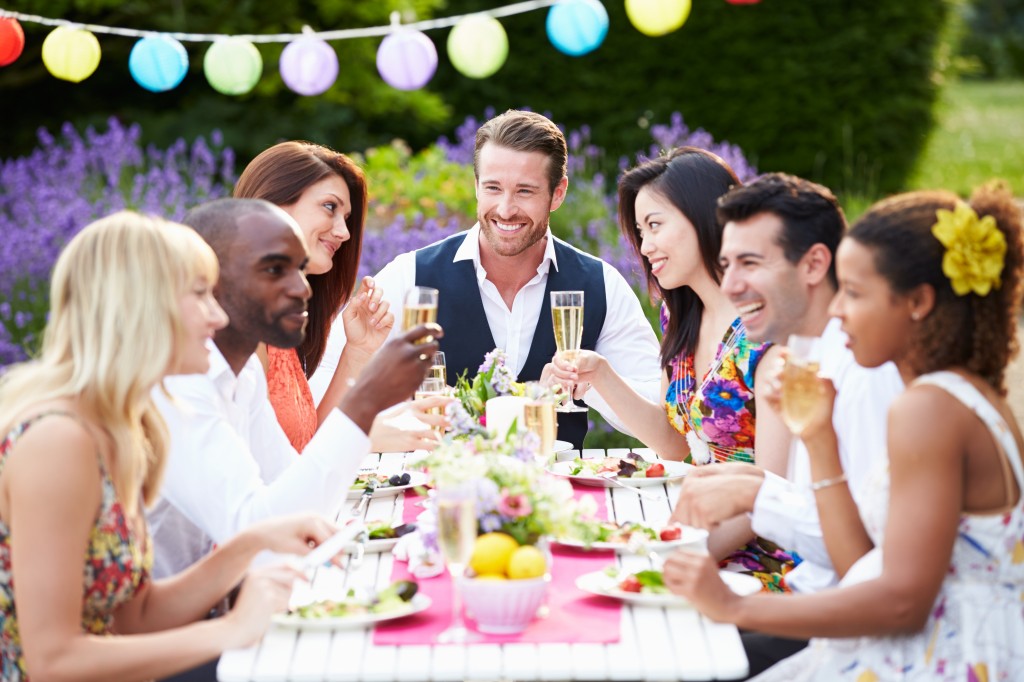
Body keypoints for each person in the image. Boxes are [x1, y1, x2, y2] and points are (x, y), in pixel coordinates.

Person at [664, 183, 1024, 680]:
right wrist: (818, 440)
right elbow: (864, 565)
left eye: (853, 293)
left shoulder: (928, 408)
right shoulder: (956, 395)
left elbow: (902, 604)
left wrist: (734, 606)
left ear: (918, 301)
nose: (835, 309)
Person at [0, 212, 340, 681]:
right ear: (141, 305)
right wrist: (231, 629)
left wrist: (252, 543)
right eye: (200, 294)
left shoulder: (123, 426)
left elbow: (135, 617)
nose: (219, 316)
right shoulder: (58, 439)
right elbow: (52, 662)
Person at [311, 109, 661, 450]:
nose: (506, 209)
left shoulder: (601, 284)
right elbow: (322, 390)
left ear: (558, 193)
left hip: (560, 487)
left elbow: (660, 417)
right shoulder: (410, 276)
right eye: (493, 188)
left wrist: (594, 381)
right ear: (476, 186)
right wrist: (397, 419)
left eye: (525, 191)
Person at [668, 172, 904, 674]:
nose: (730, 285)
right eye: (726, 265)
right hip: (805, 604)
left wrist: (757, 494)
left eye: (750, 263)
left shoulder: (862, 371)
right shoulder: (804, 351)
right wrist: (749, 485)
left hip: (842, 634)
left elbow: (868, 559)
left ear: (814, 264)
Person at [147, 198, 440, 580]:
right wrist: (364, 400)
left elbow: (294, 501)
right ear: (208, 281)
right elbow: (260, 538)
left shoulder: (245, 374)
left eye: (300, 269)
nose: (302, 288)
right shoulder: (179, 385)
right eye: (274, 270)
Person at [545, 151, 795, 592]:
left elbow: (773, 493)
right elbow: (674, 444)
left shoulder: (767, 332)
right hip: (693, 531)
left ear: (705, 216)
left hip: (759, 559)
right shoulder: (680, 318)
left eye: (655, 225)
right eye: (640, 232)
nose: (644, 248)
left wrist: (671, 556)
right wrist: (601, 377)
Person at [234, 141, 442, 453]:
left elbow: (303, 443)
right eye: (330, 207)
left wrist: (357, 351)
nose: (344, 233)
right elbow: (265, 467)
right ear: (272, 205)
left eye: (345, 217)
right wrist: (361, 438)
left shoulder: (277, 323)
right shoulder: (240, 322)